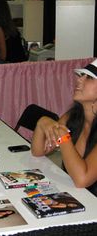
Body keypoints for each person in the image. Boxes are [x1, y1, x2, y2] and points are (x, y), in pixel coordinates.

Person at [31, 59, 97, 196]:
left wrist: (63, 137)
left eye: (89, 77)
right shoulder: (73, 117)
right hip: (74, 195)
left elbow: (82, 179)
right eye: (81, 75)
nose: (79, 80)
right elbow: (39, 151)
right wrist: (42, 123)